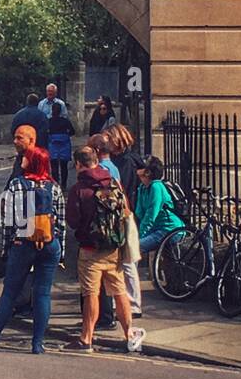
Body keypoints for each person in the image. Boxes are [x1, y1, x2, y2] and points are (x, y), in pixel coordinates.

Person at [0, 140, 65, 354]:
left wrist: (7, 249)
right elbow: (60, 223)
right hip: (48, 244)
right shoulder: (55, 188)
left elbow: (10, 221)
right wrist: (60, 252)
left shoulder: (17, 184)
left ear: (32, 162)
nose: (23, 159)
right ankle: (37, 343)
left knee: (9, 293)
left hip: (23, 243)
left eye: (26, 157)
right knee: (42, 294)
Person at [64, 147, 145, 354]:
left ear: (79, 164)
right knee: (119, 292)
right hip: (113, 248)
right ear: (96, 161)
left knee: (91, 293)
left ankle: (86, 338)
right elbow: (126, 210)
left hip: (90, 250)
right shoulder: (113, 182)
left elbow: (73, 221)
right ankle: (129, 335)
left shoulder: (79, 189)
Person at [91, 130, 142, 316]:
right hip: (122, 214)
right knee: (122, 262)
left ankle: (133, 304)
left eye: (110, 139)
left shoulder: (122, 163)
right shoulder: (116, 163)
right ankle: (123, 303)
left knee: (127, 262)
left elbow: (122, 190)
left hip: (121, 215)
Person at [135, 155, 186, 256]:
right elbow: (139, 212)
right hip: (156, 229)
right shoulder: (142, 187)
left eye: (141, 166)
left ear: (148, 172)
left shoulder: (156, 187)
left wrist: (140, 236)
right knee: (129, 246)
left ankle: (130, 272)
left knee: (134, 248)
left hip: (170, 230)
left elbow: (151, 214)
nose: (137, 167)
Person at [47, 101, 75, 190]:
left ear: (52, 110)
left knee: (54, 165)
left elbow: (45, 132)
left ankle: (55, 184)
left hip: (53, 145)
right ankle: (64, 184)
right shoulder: (65, 121)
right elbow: (72, 131)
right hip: (64, 145)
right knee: (64, 166)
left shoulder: (49, 121)